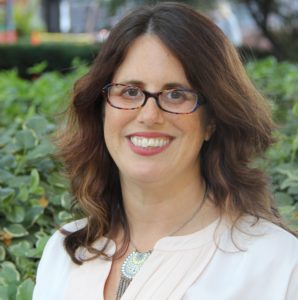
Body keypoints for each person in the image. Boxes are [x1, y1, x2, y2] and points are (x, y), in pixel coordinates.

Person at [33, 2, 298, 300]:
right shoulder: (64, 253)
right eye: (130, 91)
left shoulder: (277, 265)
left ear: (212, 120)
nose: (148, 115)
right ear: (102, 109)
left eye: (176, 95)